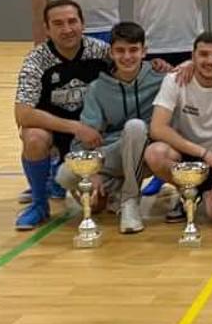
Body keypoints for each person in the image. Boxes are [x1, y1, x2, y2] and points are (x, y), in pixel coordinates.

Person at [53, 22, 164, 234]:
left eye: (133, 50)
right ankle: (115, 191)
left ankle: (130, 202)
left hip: (146, 155)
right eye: (120, 51)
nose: (127, 56)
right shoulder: (98, 88)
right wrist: (91, 171)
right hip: (112, 153)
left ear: (144, 51)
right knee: (65, 175)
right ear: (111, 53)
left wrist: (186, 66)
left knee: (135, 127)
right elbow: (83, 138)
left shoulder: (162, 80)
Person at [14, 0, 110, 230]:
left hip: (93, 137)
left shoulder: (101, 51)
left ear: (83, 24)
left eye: (72, 21)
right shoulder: (36, 60)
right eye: (58, 24)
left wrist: (159, 65)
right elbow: (23, 114)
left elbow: (133, 66)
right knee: (34, 137)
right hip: (57, 132)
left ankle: (61, 176)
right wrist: (75, 127)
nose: (67, 29)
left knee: (97, 207)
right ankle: (39, 204)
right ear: (47, 29)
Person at [144, 32, 212, 228]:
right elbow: (157, 128)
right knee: (155, 153)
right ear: (192, 56)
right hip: (185, 158)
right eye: (203, 54)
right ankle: (187, 194)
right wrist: (204, 153)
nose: (210, 61)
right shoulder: (174, 79)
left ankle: (203, 193)